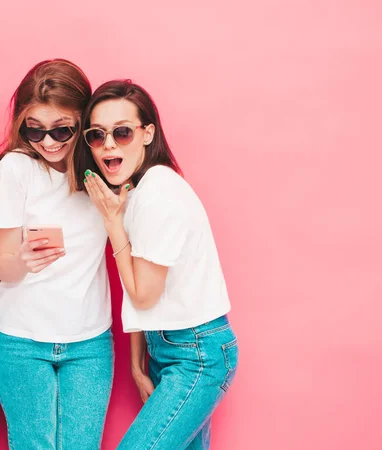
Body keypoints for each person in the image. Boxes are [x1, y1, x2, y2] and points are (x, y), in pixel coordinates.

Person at [75, 79, 238, 449]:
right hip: (172, 348)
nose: (109, 145)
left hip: (197, 353)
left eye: (122, 132)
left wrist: (112, 224)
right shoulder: (138, 191)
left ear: (148, 133)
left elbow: (144, 295)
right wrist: (137, 363)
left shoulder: (158, 194)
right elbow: (140, 291)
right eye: (97, 136)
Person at [0, 59, 113, 450]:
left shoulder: (104, 172)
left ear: (84, 122)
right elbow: (1, 268)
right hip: (23, 343)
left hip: (90, 344)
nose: (48, 142)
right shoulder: (15, 169)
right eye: (35, 129)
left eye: (63, 129)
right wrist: (21, 260)